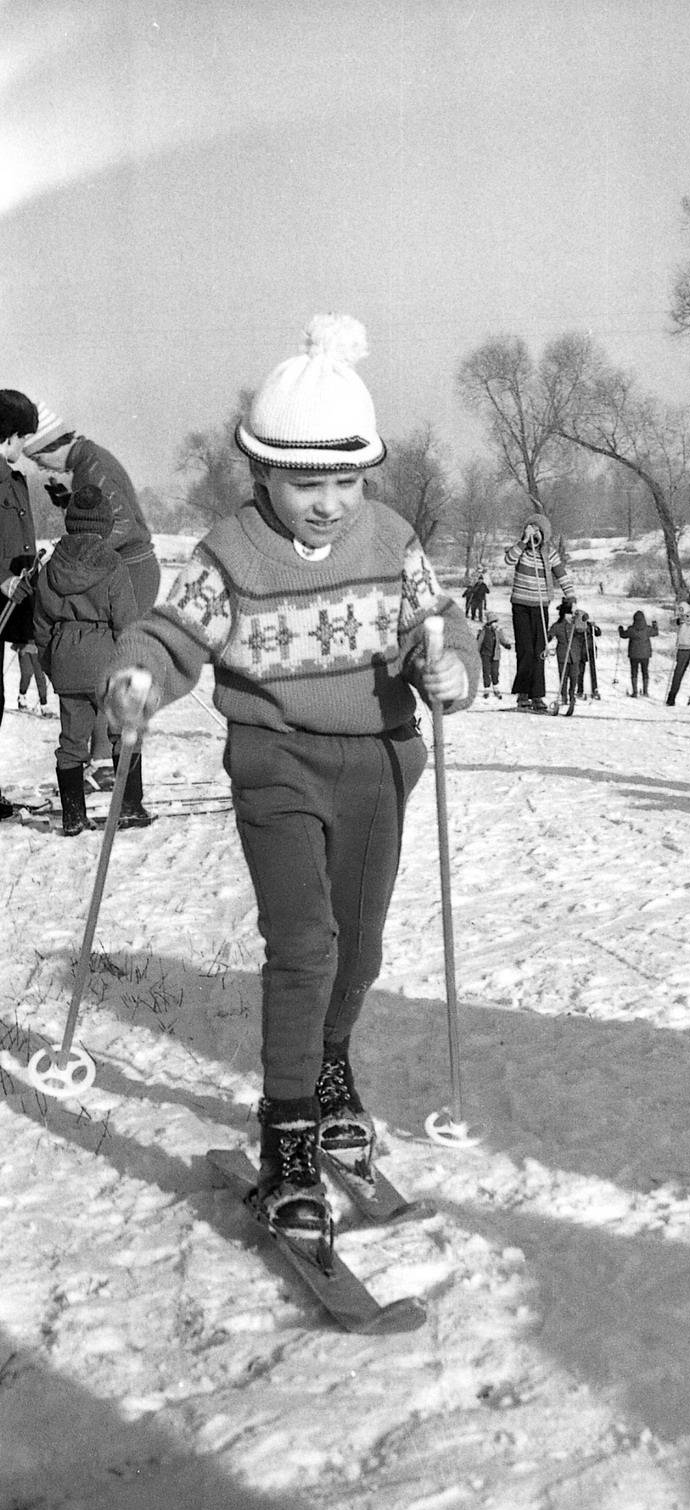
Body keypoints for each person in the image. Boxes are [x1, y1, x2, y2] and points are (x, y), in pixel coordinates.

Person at [103, 313, 480, 1239]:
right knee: (304, 943)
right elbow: (174, 630)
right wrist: (139, 675)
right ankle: (287, 1137)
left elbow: (441, 628)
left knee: (358, 949)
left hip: (380, 760)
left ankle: (331, 1060)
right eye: (306, 481)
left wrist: (452, 668)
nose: (327, 502)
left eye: (346, 480)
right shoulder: (229, 553)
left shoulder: (392, 541)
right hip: (275, 758)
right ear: (261, 470)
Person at [20, 396, 161, 786]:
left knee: (109, 668)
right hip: (117, 567)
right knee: (97, 667)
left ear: (52, 445)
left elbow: (123, 526)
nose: (40, 465)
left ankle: (104, 762)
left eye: (38, 457)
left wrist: (81, 543)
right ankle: (102, 760)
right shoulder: (86, 463)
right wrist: (71, 505)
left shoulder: (92, 465)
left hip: (129, 569)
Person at [33, 486, 141, 835]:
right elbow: (126, 621)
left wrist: (55, 665)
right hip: (107, 662)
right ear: (105, 525)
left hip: (66, 660)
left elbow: (41, 627)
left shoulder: (50, 567)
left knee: (72, 742)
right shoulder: (112, 564)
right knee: (123, 734)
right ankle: (129, 807)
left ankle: (73, 816)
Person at [0, 390, 41, 819]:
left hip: (10, 606)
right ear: (9, 435)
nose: (26, 447)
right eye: (23, 437)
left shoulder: (12, 479)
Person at [505, 512, 575, 711]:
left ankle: (537, 695)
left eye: (538, 532)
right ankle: (523, 694)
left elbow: (562, 576)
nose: (535, 537)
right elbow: (509, 560)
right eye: (532, 530)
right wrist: (524, 541)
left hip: (540, 605)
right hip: (521, 606)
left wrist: (571, 597)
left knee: (539, 651)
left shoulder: (549, 553)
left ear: (545, 534)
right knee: (525, 650)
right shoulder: (521, 550)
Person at [618, 609, 660, 696]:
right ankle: (645, 691)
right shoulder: (648, 629)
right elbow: (656, 633)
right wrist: (655, 625)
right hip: (645, 655)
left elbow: (623, 635)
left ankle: (635, 692)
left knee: (634, 672)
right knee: (645, 671)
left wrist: (620, 629)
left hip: (634, 655)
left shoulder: (631, 630)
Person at [476, 609, 511, 698]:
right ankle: (486, 689)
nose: (495, 624)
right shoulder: (484, 631)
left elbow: (502, 639)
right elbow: (479, 642)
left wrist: (506, 644)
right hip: (485, 655)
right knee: (486, 671)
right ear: (489, 623)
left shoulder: (498, 631)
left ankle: (496, 688)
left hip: (496, 655)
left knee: (495, 672)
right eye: (493, 622)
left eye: (496, 622)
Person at [14, 642, 53, 716]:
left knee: (39, 676)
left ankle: (44, 704)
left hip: (38, 648)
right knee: (26, 673)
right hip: (24, 646)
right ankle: (21, 697)